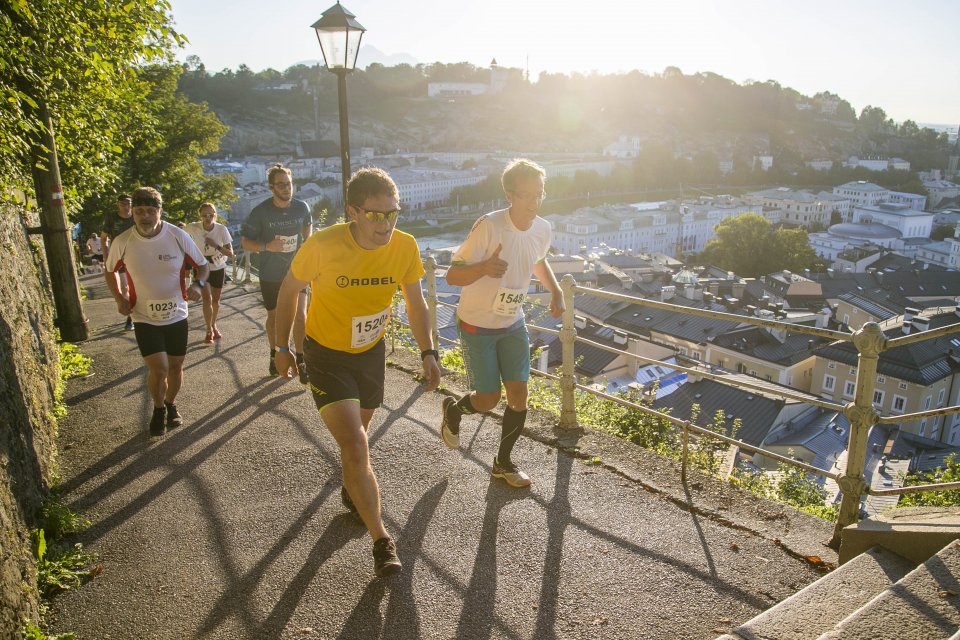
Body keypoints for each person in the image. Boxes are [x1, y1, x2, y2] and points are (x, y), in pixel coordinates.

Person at [273, 167, 440, 577]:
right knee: (356, 444)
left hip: (370, 354)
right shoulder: (323, 244)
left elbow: (415, 303)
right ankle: (382, 541)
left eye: (392, 213)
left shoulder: (405, 246)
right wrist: (282, 348)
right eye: (375, 214)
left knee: (358, 439)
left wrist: (429, 351)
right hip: (326, 355)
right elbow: (289, 291)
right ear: (353, 211)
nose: (385, 223)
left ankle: (353, 489)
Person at [440, 158, 564, 488]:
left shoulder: (542, 228)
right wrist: (483, 268)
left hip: (512, 321)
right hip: (477, 324)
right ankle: (454, 409)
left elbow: (538, 260)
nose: (535, 203)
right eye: (528, 196)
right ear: (510, 195)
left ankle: (503, 462)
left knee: (519, 394)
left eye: (540, 194)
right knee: (488, 399)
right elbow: (452, 275)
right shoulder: (489, 226)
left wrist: (556, 292)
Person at [104, 187, 209, 438]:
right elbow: (110, 271)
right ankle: (159, 409)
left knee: (175, 367)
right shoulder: (124, 241)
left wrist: (197, 284)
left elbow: (203, 266)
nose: (145, 216)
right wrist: (120, 298)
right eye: (140, 211)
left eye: (151, 211)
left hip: (177, 315)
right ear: (133, 213)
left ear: (160, 211)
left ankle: (171, 403)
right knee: (159, 369)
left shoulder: (177, 235)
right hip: (143, 316)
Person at [241, 163, 312, 381]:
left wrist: (307, 253)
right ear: (272, 187)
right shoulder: (260, 212)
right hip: (271, 273)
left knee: (301, 315)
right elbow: (245, 242)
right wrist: (267, 247)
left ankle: (301, 358)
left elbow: (308, 235)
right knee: (274, 317)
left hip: (296, 271)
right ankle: (275, 353)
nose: (286, 188)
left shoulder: (302, 208)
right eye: (281, 185)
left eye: (289, 184)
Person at [185, 203, 234, 344]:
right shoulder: (192, 227)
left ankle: (213, 324)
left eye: (211, 215)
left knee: (216, 301)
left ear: (215, 215)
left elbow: (231, 254)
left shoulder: (221, 229)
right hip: (201, 266)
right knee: (207, 299)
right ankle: (208, 330)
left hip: (218, 266)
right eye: (205, 215)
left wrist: (216, 245)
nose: (208, 218)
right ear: (200, 216)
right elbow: (178, 233)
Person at [102, 193, 136, 330]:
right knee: (125, 287)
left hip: (136, 256)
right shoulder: (112, 218)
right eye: (123, 204)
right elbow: (103, 238)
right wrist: (106, 257)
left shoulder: (136, 216)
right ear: (118, 205)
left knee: (138, 286)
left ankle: (138, 314)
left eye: (128, 204)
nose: (126, 207)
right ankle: (130, 318)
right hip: (119, 257)